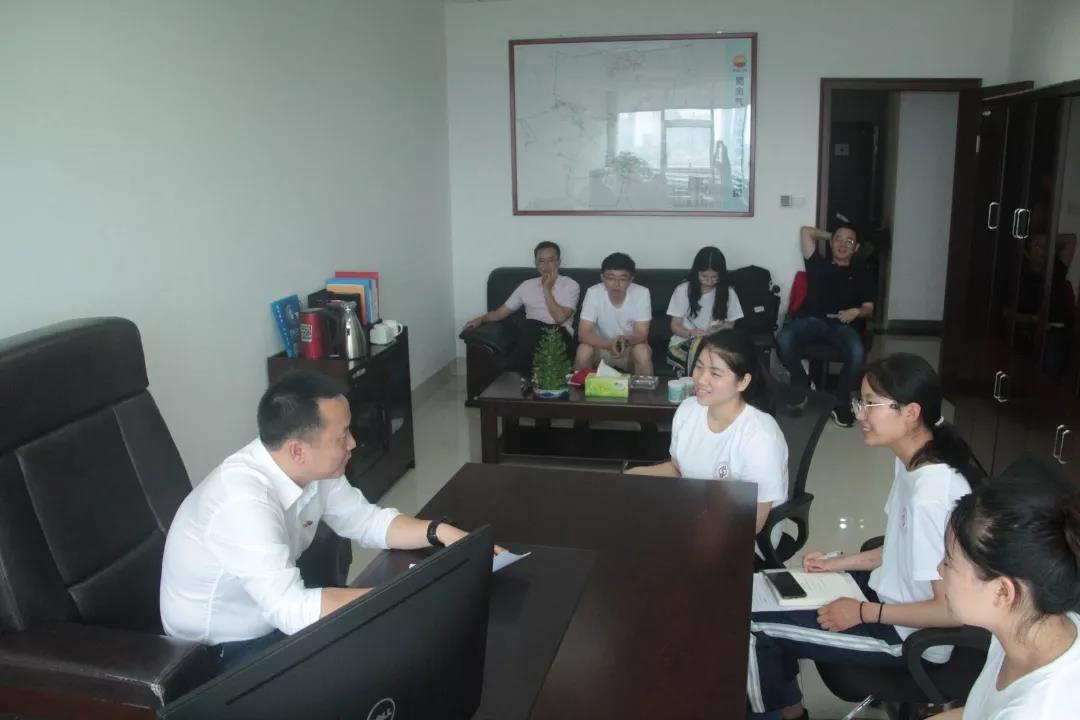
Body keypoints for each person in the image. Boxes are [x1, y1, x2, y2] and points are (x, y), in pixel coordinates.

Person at [160, 370, 494, 674]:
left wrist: (443, 533)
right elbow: (291, 610)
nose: (353, 443)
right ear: (297, 450)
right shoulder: (242, 502)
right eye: (342, 435)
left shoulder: (313, 468)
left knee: (408, 642)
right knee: (386, 658)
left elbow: (367, 521)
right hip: (219, 650)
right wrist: (404, 598)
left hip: (274, 612)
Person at [746, 353, 984, 720]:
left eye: (870, 404)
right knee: (761, 591)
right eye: (861, 402)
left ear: (911, 412)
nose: (859, 414)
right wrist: (839, 564)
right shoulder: (914, 462)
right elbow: (901, 546)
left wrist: (861, 612)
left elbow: (951, 611)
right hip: (880, 595)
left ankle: (784, 715)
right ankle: (790, 709)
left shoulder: (932, 494)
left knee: (752, 624)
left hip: (907, 635)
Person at [928, 463, 1080, 719]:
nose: (939, 569)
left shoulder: (1037, 711)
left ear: (1002, 592)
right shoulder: (1027, 626)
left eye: (949, 562)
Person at [626, 329, 786, 536]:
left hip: (744, 535)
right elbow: (679, 469)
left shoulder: (760, 436)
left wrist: (692, 525)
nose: (701, 379)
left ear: (743, 382)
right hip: (696, 514)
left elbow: (752, 523)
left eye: (715, 373)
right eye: (699, 367)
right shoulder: (688, 410)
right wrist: (632, 476)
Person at [775, 224, 876, 428]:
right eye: (838, 240)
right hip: (813, 322)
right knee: (783, 338)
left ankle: (839, 402)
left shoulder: (863, 273)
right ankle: (801, 382)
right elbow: (805, 232)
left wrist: (856, 312)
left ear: (856, 248)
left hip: (843, 326)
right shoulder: (818, 265)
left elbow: (869, 309)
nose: (843, 245)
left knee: (857, 353)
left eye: (850, 242)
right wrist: (836, 236)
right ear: (830, 243)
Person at [463, 241, 580, 375]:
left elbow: (559, 318)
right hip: (530, 335)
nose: (546, 266)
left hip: (559, 336)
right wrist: (480, 319)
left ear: (558, 262)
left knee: (528, 325)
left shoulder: (570, 285)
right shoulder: (526, 286)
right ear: (535, 264)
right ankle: (519, 373)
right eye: (541, 261)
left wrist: (546, 289)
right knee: (513, 321)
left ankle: (508, 371)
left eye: (551, 260)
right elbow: (500, 313)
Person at [665, 246, 744, 377]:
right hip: (681, 344)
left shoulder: (729, 293)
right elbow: (675, 325)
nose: (709, 281)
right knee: (699, 351)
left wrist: (715, 331)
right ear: (696, 272)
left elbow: (730, 325)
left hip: (714, 345)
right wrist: (691, 333)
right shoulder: (683, 290)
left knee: (712, 356)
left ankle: (688, 379)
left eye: (714, 277)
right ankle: (692, 382)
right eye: (704, 276)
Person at [575, 252, 653, 375]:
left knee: (642, 351)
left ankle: (646, 388)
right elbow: (583, 333)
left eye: (622, 279)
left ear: (631, 279)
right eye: (611, 278)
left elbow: (641, 335)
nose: (616, 284)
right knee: (584, 350)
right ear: (602, 278)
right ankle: (578, 387)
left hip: (629, 348)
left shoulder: (642, 293)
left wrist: (624, 341)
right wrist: (609, 344)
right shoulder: (593, 293)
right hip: (601, 348)